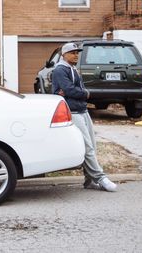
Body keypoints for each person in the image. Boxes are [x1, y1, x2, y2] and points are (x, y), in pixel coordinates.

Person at [52, 42, 117, 192]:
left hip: (82, 110)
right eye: (73, 52)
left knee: (92, 146)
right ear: (64, 55)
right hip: (73, 112)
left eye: (77, 52)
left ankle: (89, 181)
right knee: (87, 147)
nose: (76, 55)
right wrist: (85, 94)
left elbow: (73, 90)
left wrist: (80, 93)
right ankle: (100, 178)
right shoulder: (60, 70)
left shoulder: (72, 68)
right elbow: (69, 90)